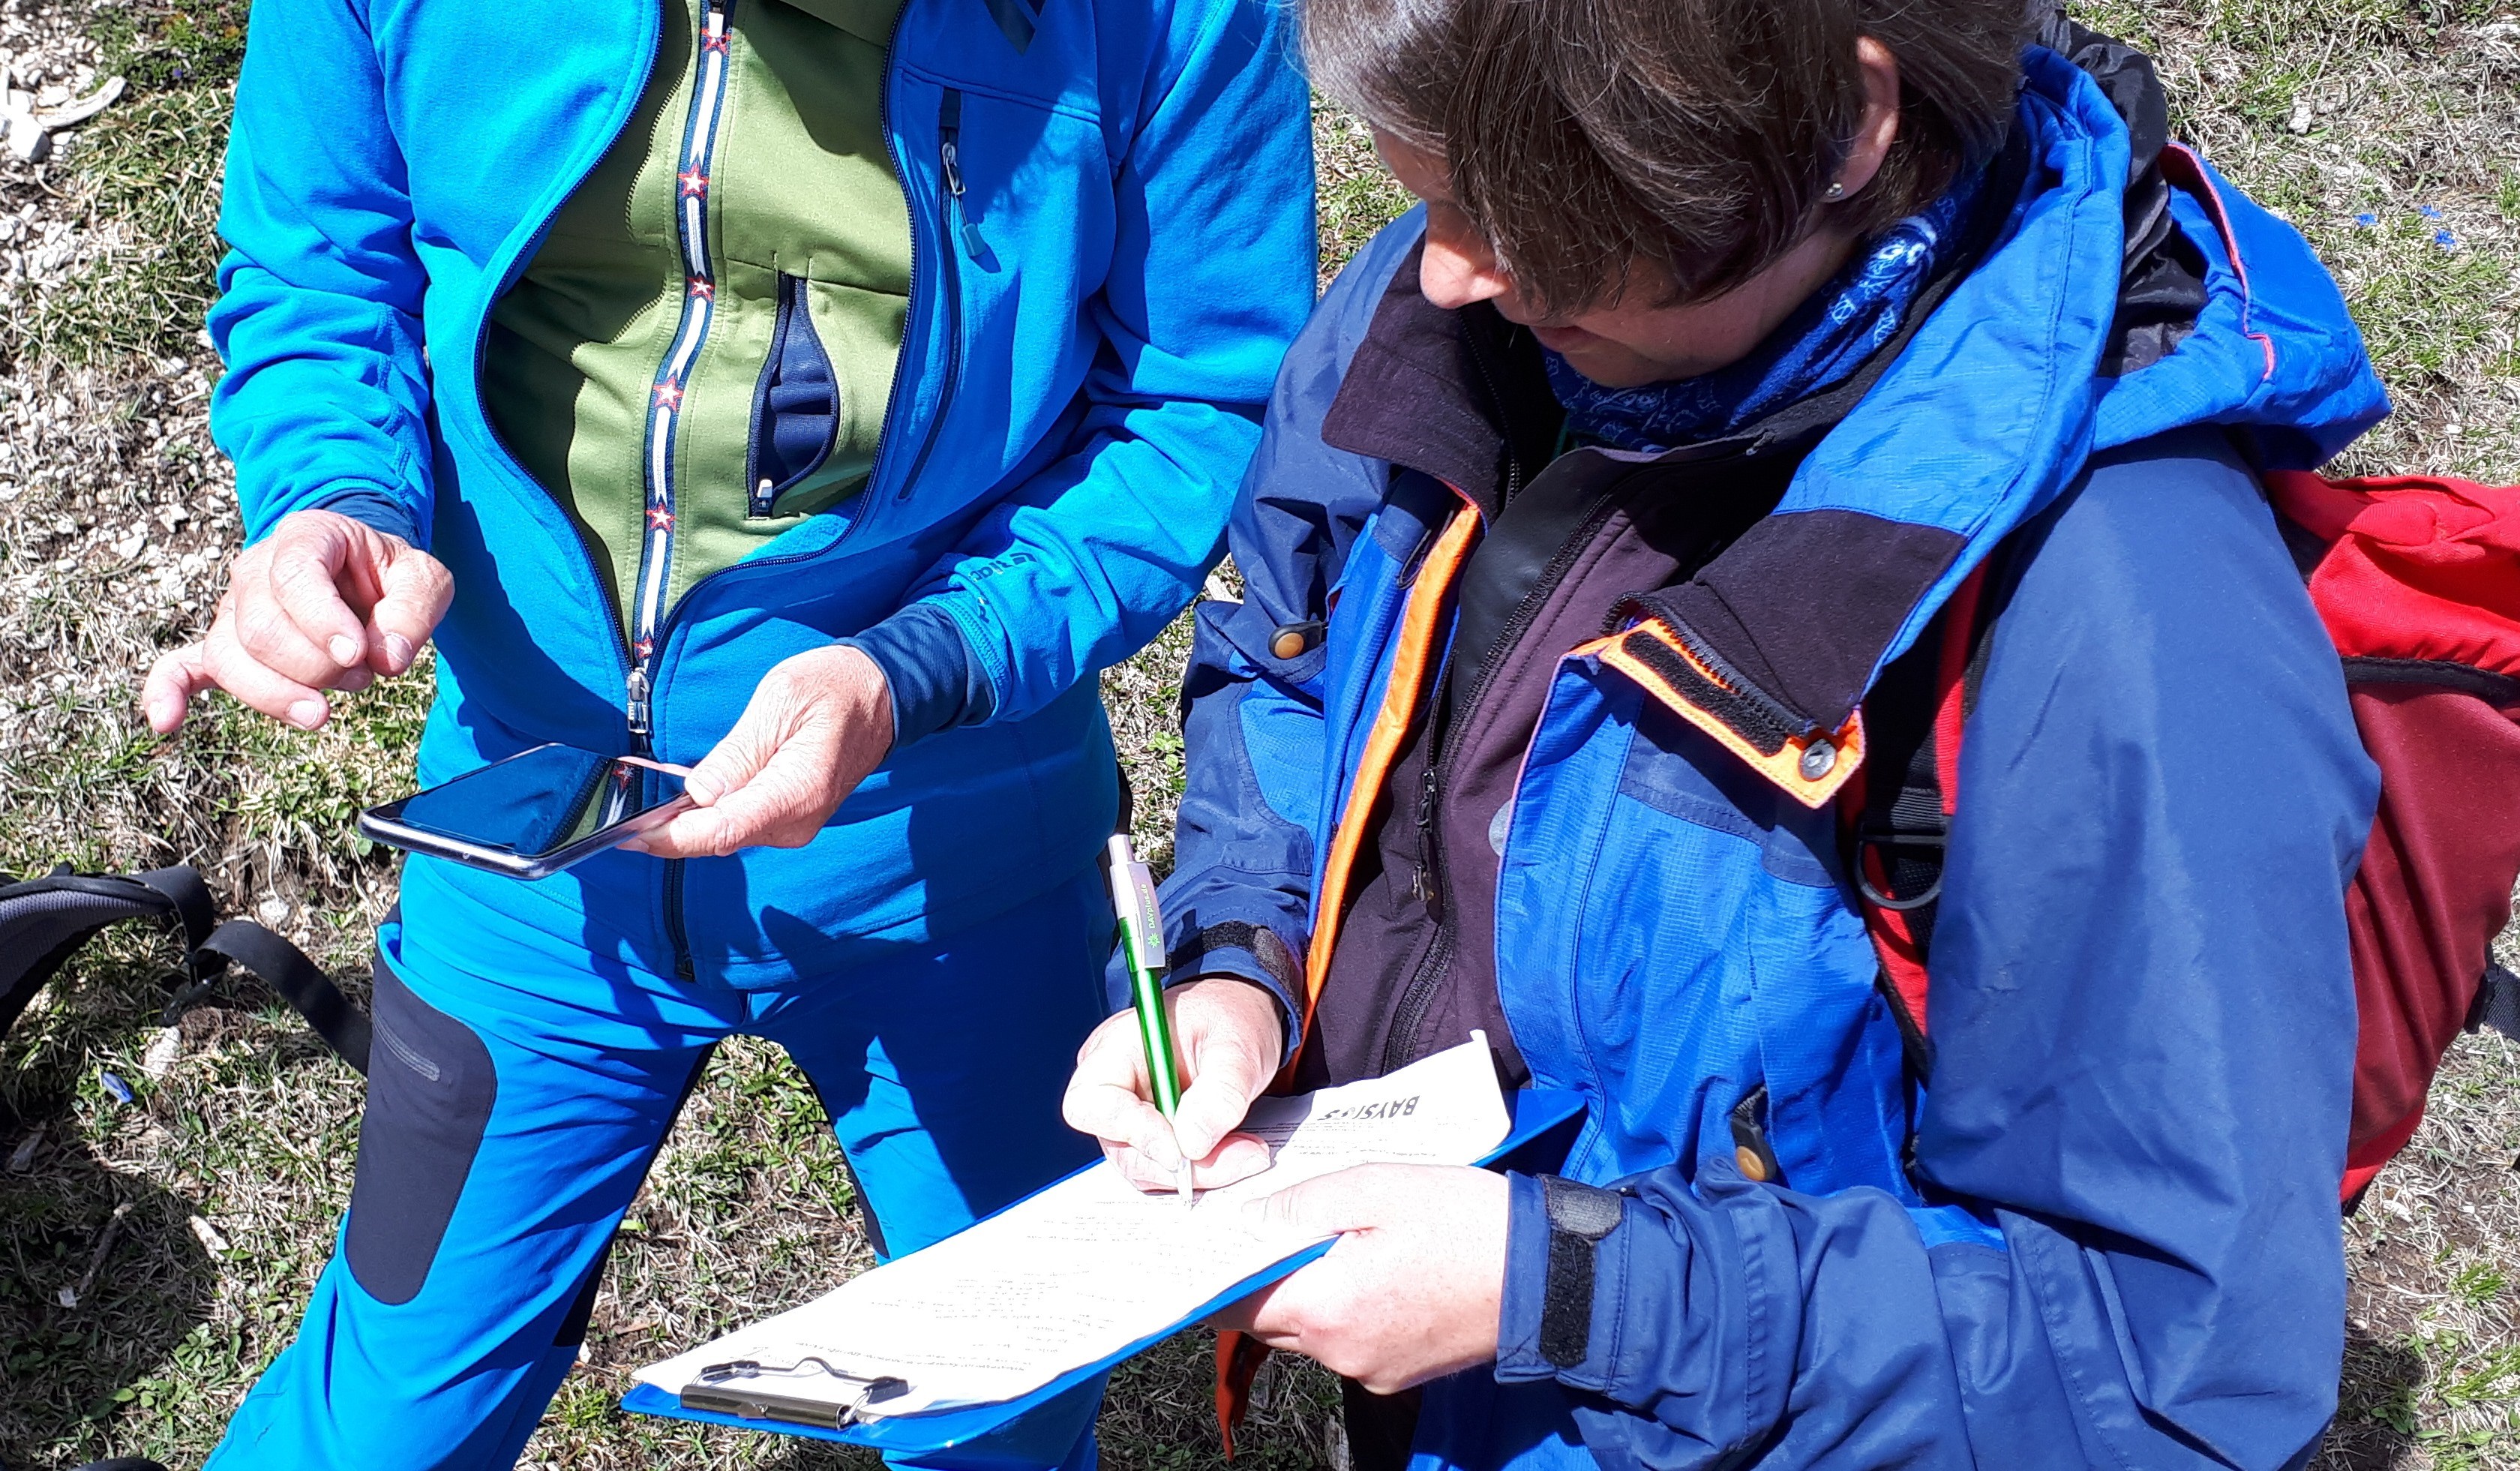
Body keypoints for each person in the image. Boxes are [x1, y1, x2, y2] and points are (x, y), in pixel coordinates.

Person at [1064, 1, 2391, 1466]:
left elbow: (2170, 1365)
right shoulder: (1481, 302)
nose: (1445, 267)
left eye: (1512, 203)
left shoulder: (2124, 610)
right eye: (1425, 192)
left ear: (1846, 127)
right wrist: (1238, 958)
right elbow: (1292, 653)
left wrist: (1564, 1284)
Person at [135, 0, 1314, 1463]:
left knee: (1005, 1426)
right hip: (536, 842)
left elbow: (1197, 401)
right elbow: (317, 266)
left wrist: (913, 671)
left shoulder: (1168, 19)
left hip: (953, 855)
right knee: (379, 1426)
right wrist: (334, 498)